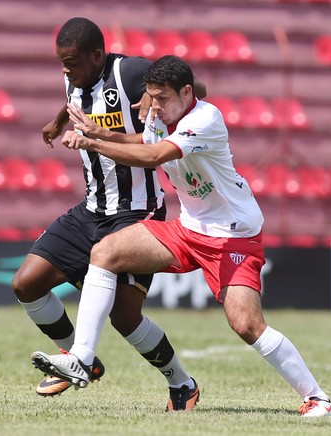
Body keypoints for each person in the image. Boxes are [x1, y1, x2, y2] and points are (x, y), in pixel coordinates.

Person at [31, 55, 331, 417]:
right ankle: (81, 358)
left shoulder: (205, 119)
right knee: (105, 252)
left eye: (161, 98)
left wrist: (91, 144)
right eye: (152, 97)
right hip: (189, 228)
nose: (155, 106)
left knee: (246, 325)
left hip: (232, 236)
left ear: (187, 92)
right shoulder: (161, 117)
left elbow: (153, 155)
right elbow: (142, 140)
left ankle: (320, 399)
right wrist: (100, 132)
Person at [13, 18, 203, 411]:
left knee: (124, 317)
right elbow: (78, 100)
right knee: (26, 283)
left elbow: (193, 88)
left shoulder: (129, 72)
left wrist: (154, 97)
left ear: (97, 55)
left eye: (72, 63)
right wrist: (58, 121)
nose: (65, 70)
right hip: (92, 209)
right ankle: (78, 359)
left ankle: (182, 383)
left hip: (137, 214)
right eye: (61, 64)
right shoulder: (76, 77)